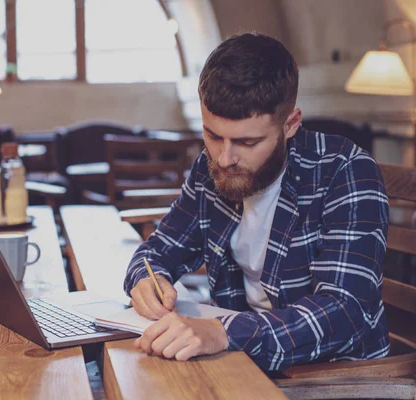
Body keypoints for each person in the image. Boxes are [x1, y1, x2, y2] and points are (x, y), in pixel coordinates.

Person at [123, 32, 389, 372]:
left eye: (247, 142)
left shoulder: (345, 171)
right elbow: (159, 249)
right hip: (242, 359)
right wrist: (149, 280)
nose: (224, 158)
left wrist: (225, 333)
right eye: (213, 135)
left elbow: (344, 312)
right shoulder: (211, 169)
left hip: (332, 371)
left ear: (290, 124)